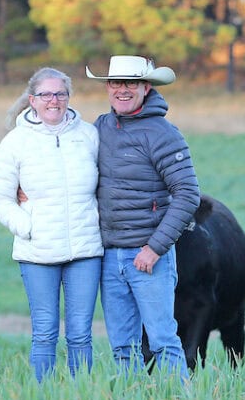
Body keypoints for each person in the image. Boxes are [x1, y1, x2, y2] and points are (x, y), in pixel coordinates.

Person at [85, 54, 201, 381]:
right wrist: (27, 190)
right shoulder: (100, 128)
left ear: (146, 87)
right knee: (122, 346)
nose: (122, 90)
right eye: (116, 83)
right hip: (109, 256)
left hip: (148, 256)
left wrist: (155, 248)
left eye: (131, 83)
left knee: (163, 340)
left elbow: (188, 194)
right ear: (107, 87)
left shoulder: (163, 134)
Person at [0, 67, 103, 383]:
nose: (54, 100)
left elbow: (105, 186)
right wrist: (28, 227)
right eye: (46, 94)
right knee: (45, 332)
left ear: (68, 97)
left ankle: (83, 398)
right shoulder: (15, 143)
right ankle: (44, 398)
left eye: (60, 93)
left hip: (85, 251)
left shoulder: (88, 136)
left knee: (80, 334)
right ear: (32, 100)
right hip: (36, 253)